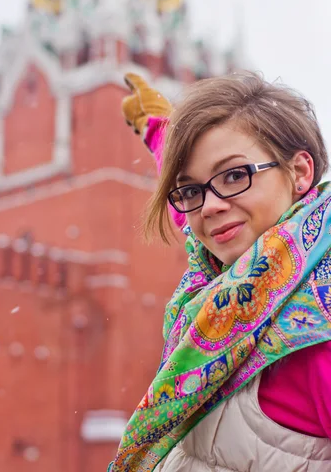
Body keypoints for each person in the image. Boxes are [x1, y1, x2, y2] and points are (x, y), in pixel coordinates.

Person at [109, 71, 331, 472]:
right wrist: (160, 129)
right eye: (191, 190)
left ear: (299, 172)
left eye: (234, 175)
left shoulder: (320, 333)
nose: (209, 206)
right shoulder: (230, 269)